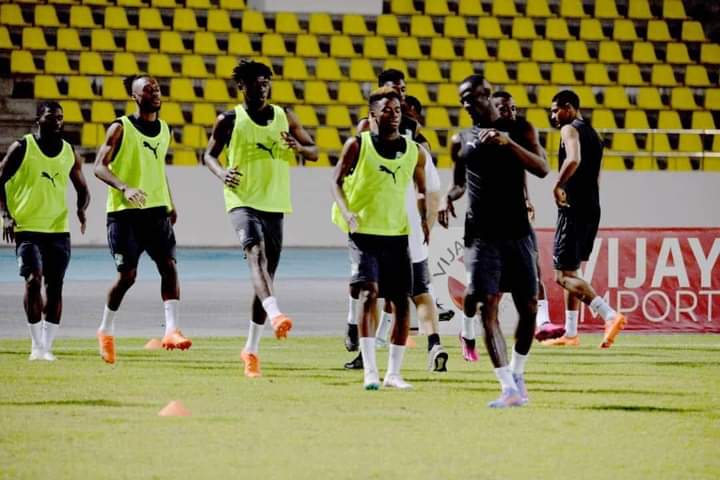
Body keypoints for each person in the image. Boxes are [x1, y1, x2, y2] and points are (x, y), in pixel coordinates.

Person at [438, 75, 549, 407]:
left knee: (528, 308)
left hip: (518, 234)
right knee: (489, 305)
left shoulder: (521, 129)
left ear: (487, 95)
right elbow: (459, 183)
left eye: (473, 97)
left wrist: (508, 144)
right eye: (463, 100)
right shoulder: (461, 140)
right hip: (482, 237)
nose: (468, 104)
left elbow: (543, 168)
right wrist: (448, 197)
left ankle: (517, 372)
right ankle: (506, 387)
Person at [204, 60, 318, 378]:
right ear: (242, 86)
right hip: (242, 201)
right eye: (256, 81)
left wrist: (299, 147)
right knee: (255, 254)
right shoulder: (229, 119)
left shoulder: (284, 116)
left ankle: (251, 349)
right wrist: (222, 172)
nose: (263, 85)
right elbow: (208, 154)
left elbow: (315, 151)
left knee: (265, 277)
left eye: (267, 80)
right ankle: (275, 313)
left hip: (275, 204)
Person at [343, 73, 448, 373]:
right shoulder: (413, 144)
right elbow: (431, 188)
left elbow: (424, 183)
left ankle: (371, 355)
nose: (397, 108)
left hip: (388, 222)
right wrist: (428, 219)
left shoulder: (404, 143)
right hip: (399, 223)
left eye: (400, 104)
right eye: (394, 101)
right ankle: (432, 343)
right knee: (413, 291)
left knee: (377, 293)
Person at [332, 87, 430, 390]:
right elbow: (336, 181)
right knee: (368, 294)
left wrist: (424, 218)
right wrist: (347, 212)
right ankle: (370, 371)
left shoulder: (413, 150)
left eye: (398, 109)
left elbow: (421, 188)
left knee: (401, 302)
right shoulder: (357, 145)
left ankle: (394, 374)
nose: (394, 114)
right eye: (387, 110)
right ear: (373, 114)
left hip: (396, 233)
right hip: (363, 232)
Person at [94, 74, 189, 365]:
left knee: (169, 267)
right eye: (148, 89)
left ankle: (171, 330)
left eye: (157, 88)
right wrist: (125, 187)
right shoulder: (120, 128)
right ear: (135, 97)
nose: (155, 92)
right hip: (124, 215)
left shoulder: (164, 130)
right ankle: (106, 330)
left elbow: (157, 169)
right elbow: (99, 166)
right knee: (127, 277)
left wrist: (170, 202)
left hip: (157, 211)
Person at [0, 101, 89, 361]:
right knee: (32, 280)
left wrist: (81, 209)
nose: (57, 122)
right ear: (39, 119)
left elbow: (82, 187)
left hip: (58, 229)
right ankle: (36, 345)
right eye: (51, 117)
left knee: (55, 286)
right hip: (27, 227)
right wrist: (6, 215)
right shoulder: (22, 147)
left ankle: (47, 347)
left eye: (60, 118)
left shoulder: (68, 152)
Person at [544, 90, 626, 348]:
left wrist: (558, 184)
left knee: (561, 276)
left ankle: (609, 315)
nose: (553, 115)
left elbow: (574, 158)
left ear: (569, 108)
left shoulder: (570, 129)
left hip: (573, 208)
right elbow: (596, 175)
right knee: (573, 271)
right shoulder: (595, 134)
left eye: (556, 110)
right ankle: (570, 333)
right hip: (591, 207)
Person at [491, 91, 565, 342]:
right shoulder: (482, 137)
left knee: (532, 270)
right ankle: (471, 330)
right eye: (503, 108)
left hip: (517, 218)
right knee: (494, 285)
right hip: (490, 221)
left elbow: (525, 170)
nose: (510, 112)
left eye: (513, 108)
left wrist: (525, 197)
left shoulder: (517, 137)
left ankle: (543, 321)